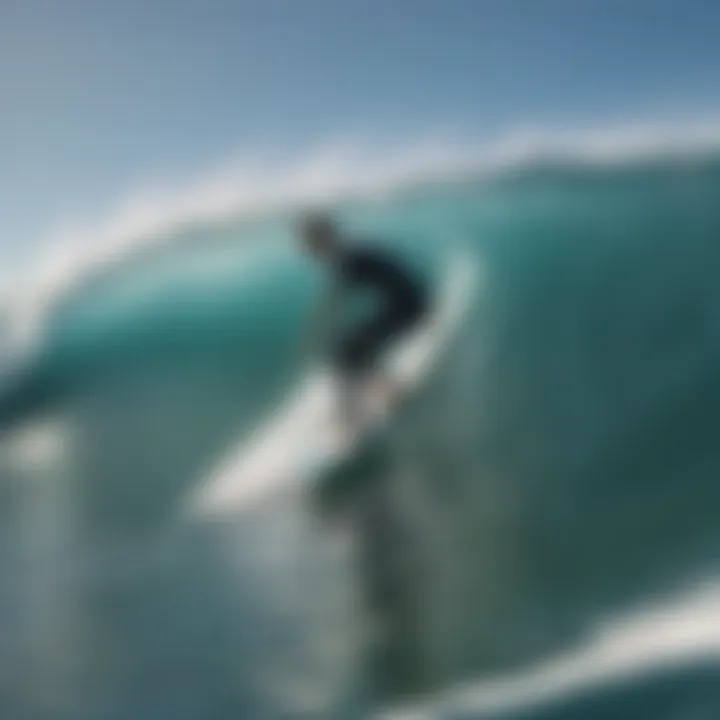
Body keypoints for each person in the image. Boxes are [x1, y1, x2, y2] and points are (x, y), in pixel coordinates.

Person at [297, 212, 428, 424]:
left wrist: (320, 329)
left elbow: (335, 300)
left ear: (321, 240)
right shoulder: (349, 252)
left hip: (410, 306)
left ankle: (350, 418)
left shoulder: (346, 258)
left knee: (345, 354)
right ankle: (391, 390)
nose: (307, 250)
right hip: (410, 300)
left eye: (309, 243)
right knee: (353, 348)